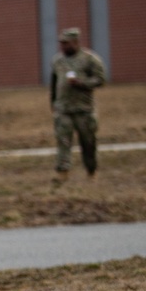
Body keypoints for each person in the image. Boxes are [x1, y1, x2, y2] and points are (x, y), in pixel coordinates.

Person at [49, 28, 107, 186]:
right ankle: (62, 172)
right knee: (63, 141)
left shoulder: (90, 59)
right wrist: (53, 103)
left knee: (88, 142)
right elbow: (54, 83)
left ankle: (91, 171)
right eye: (61, 44)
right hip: (63, 109)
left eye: (66, 43)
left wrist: (82, 83)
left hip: (84, 110)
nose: (63, 47)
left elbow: (100, 80)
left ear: (75, 42)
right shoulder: (57, 61)